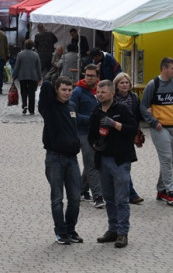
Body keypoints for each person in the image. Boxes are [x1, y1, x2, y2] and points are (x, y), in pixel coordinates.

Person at [88, 80, 137, 248]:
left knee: (121, 198)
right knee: (108, 198)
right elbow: (90, 135)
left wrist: (114, 124)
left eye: (103, 92)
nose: (99, 94)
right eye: (98, 92)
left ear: (111, 93)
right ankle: (113, 229)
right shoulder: (95, 112)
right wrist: (95, 144)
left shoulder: (122, 109)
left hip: (120, 160)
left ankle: (123, 233)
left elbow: (133, 129)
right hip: (103, 160)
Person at [38, 76, 83, 245]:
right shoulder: (49, 107)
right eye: (63, 89)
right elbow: (46, 86)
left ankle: (70, 229)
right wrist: (53, 80)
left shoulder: (71, 106)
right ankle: (60, 231)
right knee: (57, 198)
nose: (67, 93)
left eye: (70, 90)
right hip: (54, 158)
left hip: (72, 158)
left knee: (75, 198)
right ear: (56, 89)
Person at [140, 57, 173, 206]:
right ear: (164, 69)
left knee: (170, 160)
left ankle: (160, 189)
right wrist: (154, 122)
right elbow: (142, 107)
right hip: (160, 128)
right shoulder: (153, 84)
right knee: (166, 158)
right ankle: (170, 191)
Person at [71, 64, 104, 209]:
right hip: (83, 133)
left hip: (99, 133)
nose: (88, 78)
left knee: (93, 162)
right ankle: (98, 196)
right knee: (92, 163)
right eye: (87, 75)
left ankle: (81, 190)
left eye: (92, 75)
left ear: (97, 77)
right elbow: (72, 114)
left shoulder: (101, 91)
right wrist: (91, 119)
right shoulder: (78, 91)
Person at [113, 72, 144, 204]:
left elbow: (138, 115)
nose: (125, 85)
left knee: (124, 165)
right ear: (116, 85)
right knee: (121, 165)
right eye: (122, 83)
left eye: (126, 82)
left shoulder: (135, 98)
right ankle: (130, 193)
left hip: (129, 135)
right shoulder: (113, 99)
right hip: (115, 136)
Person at [12, 39, 42, 115]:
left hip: (23, 76)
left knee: (23, 91)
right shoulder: (36, 55)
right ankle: (31, 109)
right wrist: (40, 78)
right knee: (32, 92)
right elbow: (38, 67)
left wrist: (14, 76)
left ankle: (24, 104)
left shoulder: (20, 54)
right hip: (33, 76)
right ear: (32, 46)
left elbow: (17, 66)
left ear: (25, 45)